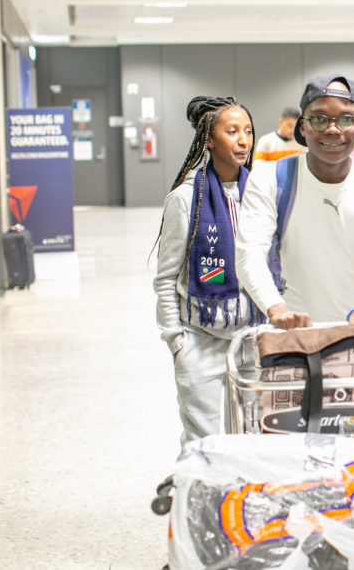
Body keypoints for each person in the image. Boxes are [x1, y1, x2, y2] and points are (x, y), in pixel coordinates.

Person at [236, 74, 354, 329]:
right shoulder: (270, 180)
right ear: (302, 126)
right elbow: (249, 255)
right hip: (294, 335)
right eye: (320, 119)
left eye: (346, 120)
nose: (333, 129)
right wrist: (276, 308)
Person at [154, 96, 260, 451]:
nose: (243, 139)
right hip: (200, 343)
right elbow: (166, 278)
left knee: (256, 440)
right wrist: (176, 343)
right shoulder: (186, 199)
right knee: (205, 445)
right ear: (209, 139)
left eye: (247, 131)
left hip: (253, 342)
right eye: (232, 131)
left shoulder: (260, 195)